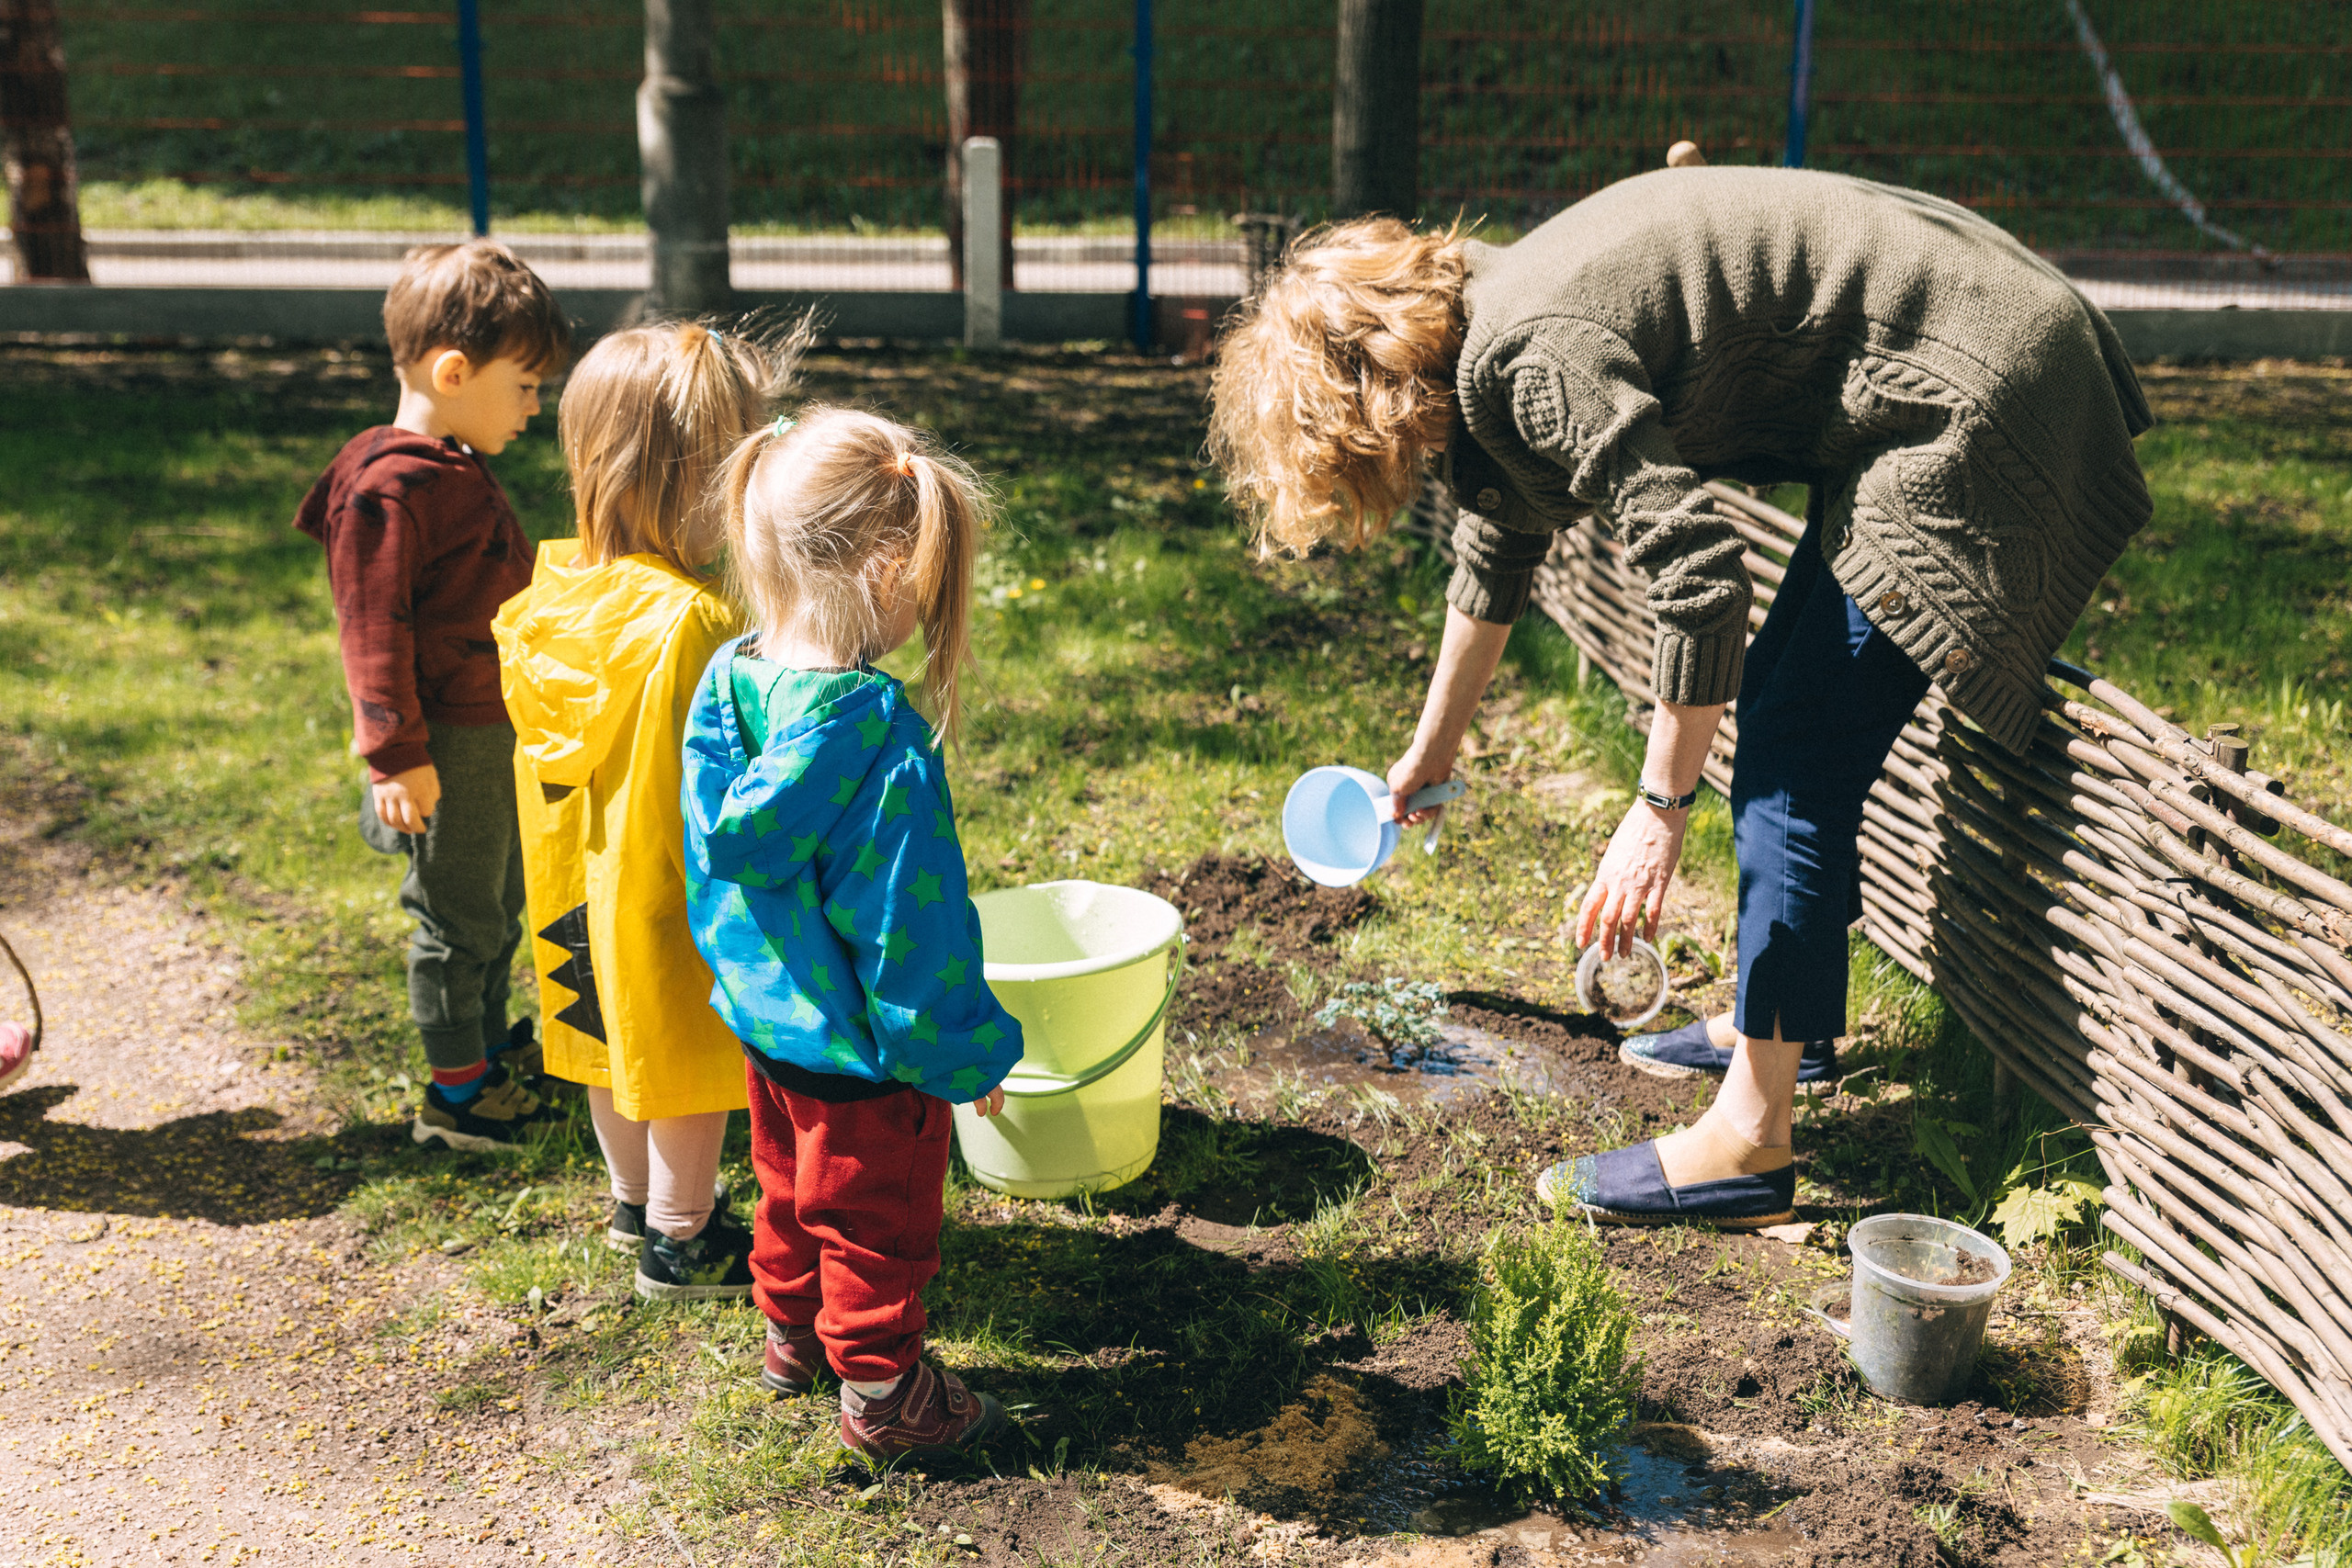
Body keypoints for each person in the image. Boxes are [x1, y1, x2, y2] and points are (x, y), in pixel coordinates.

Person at [1208, 164, 2152, 1231]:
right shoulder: (1490, 315)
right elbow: (1498, 541)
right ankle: (1787, 1031)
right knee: (1795, 733)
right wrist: (1431, 752)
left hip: (1978, 393)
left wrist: (1659, 808)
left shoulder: (1526, 354)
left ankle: (1749, 1144)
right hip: (1951, 366)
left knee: (1789, 758)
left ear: (1370, 397)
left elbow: (1700, 578)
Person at [682, 407, 1023, 1458]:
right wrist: (963, 1057)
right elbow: (908, 937)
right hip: (865, 1057)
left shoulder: (724, 687)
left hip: (763, 1018)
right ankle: (883, 1395)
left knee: (785, 1188)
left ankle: (789, 1338)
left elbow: (712, 856)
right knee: (875, 1219)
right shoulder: (881, 746)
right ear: (885, 567)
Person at [495, 320, 799, 1299]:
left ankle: (632, 1201)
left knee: (598, 1031)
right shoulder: (697, 622)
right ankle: (684, 1233)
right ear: (699, 479)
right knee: (680, 1049)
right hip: (665, 892)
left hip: (567, 881)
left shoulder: (550, 591)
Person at [296, 240, 573, 1151]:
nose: (537, 406)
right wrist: (397, 757)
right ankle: (458, 1095)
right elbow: (373, 635)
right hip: (443, 742)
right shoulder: (391, 488)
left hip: (491, 731)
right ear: (454, 371)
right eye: (526, 385)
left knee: (497, 905)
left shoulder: (443, 459)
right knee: (457, 916)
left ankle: (489, 1058)